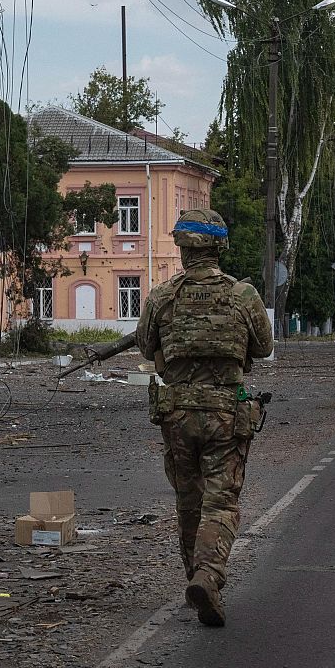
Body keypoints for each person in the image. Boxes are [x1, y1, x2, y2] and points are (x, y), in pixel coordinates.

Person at [88, 209, 272, 627]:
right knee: (221, 501)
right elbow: (263, 347)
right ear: (219, 247)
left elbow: (145, 345)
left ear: (183, 248)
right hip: (226, 412)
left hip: (177, 415)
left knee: (188, 501)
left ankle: (196, 579)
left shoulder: (160, 296)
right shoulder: (242, 295)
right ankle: (208, 575)